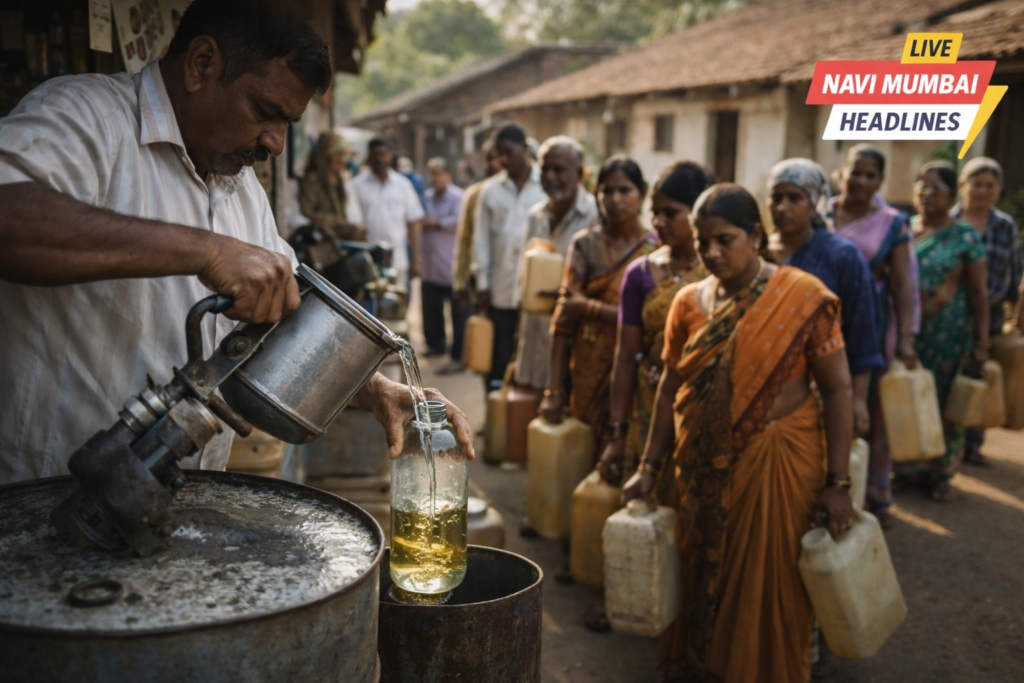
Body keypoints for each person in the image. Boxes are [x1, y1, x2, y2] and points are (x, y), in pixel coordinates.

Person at [0, 0, 472, 485]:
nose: (276, 144)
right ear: (202, 64)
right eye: (265, 112)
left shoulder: (241, 188)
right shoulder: (87, 117)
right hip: (42, 505)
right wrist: (206, 250)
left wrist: (376, 390)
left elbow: (286, 325)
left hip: (179, 508)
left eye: (287, 123)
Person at [622, 183, 854, 683]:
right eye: (703, 242)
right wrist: (647, 467)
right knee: (703, 575)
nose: (711, 253)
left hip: (777, 462)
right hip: (701, 468)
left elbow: (837, 391)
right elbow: (668, 391)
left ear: (755, 236)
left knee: (767, 587)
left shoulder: (802, 297)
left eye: (725, 240)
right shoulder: (687, 302)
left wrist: (838, 483)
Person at [597, 161, 713, 497]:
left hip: (703, 404)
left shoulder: (719, 270)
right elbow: (624, 358)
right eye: (655, 212)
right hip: (650, 402)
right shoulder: (640, 273)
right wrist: (617, 433)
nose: (659, 222)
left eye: (671, 213)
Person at [538, 156, 659, 457]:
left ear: (642, 194)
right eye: (607, 191)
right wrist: (554, 391)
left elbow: (649, 321)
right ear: (597, 195)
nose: (615, 199)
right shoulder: (585, 245)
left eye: (624, 190)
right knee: (583, 450)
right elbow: (564, 318)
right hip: (589, 366)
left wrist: (588, 308)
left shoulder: (656, 250)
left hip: (635, 368)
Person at [829, 145, 920, 525]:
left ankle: (872, 492)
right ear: (841, 173)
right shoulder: (820, 210)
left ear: (879, 181)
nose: (862, 181)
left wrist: (906, 338)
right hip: (822, 321)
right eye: (856, 172)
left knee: (870, 411)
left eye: (870, 175)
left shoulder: (891, 222)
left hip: (871, 324)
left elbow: (901, 283)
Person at [766, 158, 884, 441]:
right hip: (764, 385)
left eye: (795, 198)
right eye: (776, 197)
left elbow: (862, 331)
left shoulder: (841, 256)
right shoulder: (756, 254)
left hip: (823, 386)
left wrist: (856, 400)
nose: (783, 207)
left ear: (815, 202)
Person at [895, 161, 989, 501]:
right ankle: (906, 467)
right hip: (908, 334)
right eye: (921, 185)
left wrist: (982, 341)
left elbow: (979, 293)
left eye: (936, 188)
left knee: (944, 403)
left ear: (952, 195)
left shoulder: (965, 236)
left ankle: (940, 473)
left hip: (948, 337)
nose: (927, 193)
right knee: (906, 398)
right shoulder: (902, 229)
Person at [951, 156, 1022, 466]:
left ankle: (973, 444)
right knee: (951, 376)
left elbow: (1016, 272)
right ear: (962, 186)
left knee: (983, 377)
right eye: (976, 184)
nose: (982, 191)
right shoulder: (948, 221)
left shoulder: (1005, 226)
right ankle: (947, 444)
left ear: (998, 190)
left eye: (989, 185)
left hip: (991, 315)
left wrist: (1015, 318)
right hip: (950, 314)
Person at [514, 136, 599, 391]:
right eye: (545, 169)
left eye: (559, 170)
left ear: (580, 173)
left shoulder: (594, 215)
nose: (550, 176)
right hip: (534, 332)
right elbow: (525, 277)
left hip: (572, 335)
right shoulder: (536, 216)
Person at [472, 124, 545, 390]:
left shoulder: (544, 186)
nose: (503, 160)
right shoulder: (490, 191)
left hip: (535, 294)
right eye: (499, 154)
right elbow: (481, 241)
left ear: (524, 149)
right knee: (497, 359)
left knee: (530, 358)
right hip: (500, 289)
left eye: (509, 153)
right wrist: (482, 285)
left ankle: (522, 418)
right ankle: (495, 418)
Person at [351, 138, 425, 281]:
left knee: (397, 302)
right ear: (369, 158)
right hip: (366, 262)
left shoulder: (403, 185)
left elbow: (414, 223)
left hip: (397, 261)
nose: (379, 158)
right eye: (375, 154)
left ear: (390, 156)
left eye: (383, 154)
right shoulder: (357, 185)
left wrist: (416, 260)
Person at [420, 157, 467, 372]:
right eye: (433, 173)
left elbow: (460, 221)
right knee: (431, 310)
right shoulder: (427, 197)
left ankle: (458, 354)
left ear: (448, 175)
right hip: (430, 264)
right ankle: (435, 345)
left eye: (439, 173)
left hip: (450, 264)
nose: (435, 178)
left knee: (457, 312)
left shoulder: (458, 197)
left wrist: (436, 222)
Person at [452, 139, 501, 307]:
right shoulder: (474, 194)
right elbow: (464, 239)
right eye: (489, 159)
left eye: (497, 158)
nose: (493, 163)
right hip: (478, 278)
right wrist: (459, 281)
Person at [299, 131, 365, 241]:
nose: (343, 160)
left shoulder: (340, 180)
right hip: (323, 239)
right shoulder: (312, 180)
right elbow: (307, 213)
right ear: (326, 156)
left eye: (345, 155)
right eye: (338, 155)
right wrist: (340, 223)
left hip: (341, 237)